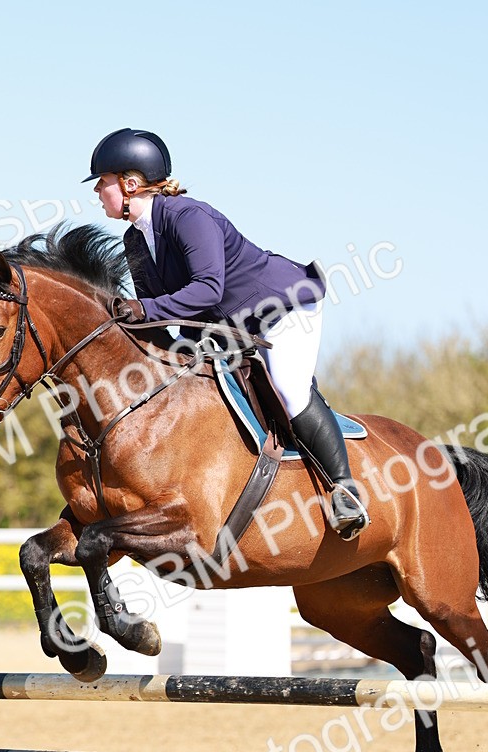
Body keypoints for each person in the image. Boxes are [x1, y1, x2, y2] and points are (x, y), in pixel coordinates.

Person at [82, 127, 370, 539]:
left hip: (280, 305)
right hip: (224, 323)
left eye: (102, 182)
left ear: (130, 184)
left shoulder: (189, 216)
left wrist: (144, 308)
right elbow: (159, 314)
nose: (97, 191)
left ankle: (345, 490)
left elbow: (206, 288)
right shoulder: (135, 238)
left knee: (289, 390)